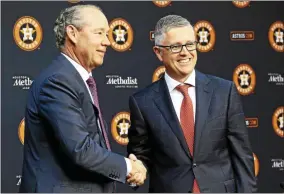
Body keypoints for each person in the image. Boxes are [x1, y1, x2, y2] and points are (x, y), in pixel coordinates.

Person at [19, 4, 146, 193]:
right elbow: (81, 149)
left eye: (107, 34)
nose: (108, 42)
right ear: (72, 33)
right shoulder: (58, 81)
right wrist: (128, 167)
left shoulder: (76, 78)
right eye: (99, 33)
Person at [127, 14, 257, 193]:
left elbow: (242, 155)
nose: (185, 52)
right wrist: (137, 169)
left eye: (190, 44)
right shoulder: (142, 102)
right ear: (158, 52)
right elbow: (142, 154)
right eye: (175, 46)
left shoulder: (224, 91)